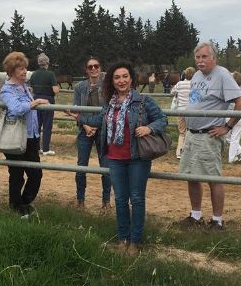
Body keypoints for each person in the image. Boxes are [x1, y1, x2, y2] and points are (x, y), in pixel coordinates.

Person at [85, 61, 167, 255]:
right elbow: (98, 121)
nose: (121, 81)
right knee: (121, 200)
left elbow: (162, 119)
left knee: (137, 199)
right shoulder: (109, 103)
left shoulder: (143, 101)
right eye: (117, 77)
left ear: (131, 79)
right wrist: (79, 118)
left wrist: (149, 128)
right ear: (112, 81)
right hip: (114, 158)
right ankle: (123, 239)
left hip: (137, 157)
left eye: (125, 77)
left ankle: (135, 242)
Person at [175, 43, 241, 230]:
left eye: (204, 57)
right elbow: (195, 101)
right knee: (192, 176)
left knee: (213, 178)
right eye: (198, 57)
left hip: (208, 136)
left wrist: (227, 127)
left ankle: (217, 220)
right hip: (191, 134)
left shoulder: (222, 74)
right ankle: (195, 215)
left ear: (214, 58)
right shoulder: (197, 76)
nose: (200, 61)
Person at [0, 52, 49, 217]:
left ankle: (23, 203)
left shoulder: (25, 87)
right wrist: (35, 102)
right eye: (20, 68)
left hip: (32, 136)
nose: (24, 71)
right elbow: (15, 108)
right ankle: (17, 207)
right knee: (16, 174)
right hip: (17, 137)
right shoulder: (7, 90)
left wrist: (37, 102)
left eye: (25, 68)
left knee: (36, 174)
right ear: (12, 70)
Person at [71, 56, 111, 210]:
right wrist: (86, 126)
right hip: (85, 129)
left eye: (96, 66)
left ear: (100, 68)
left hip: (103, 130)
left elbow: (109, 110)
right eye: (90, 67)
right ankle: (80, 200)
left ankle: (106, 202)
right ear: (86, 70)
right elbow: (75, 109)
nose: (93, 69)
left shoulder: (107, 86)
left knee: (105, 167)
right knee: (81, 165)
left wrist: (97, 125)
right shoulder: (79, 87)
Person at [28, 53, 59, 155]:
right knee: (47, 126)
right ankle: (45, 149)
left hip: (36, 101)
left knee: (36, 125)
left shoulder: (34, 74)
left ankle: (36, 148)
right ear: (47, 63)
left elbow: (31, 89)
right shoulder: (51, 74)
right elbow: (55, 90)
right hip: (48, 101)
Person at [170, 67, 194, 159]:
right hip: (192, 111)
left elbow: (172, 92)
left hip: (181, 110)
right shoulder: (195, 84)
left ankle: (179, 152)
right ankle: (188, 151)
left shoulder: (180, 84)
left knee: (182, 132)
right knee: (190, 130)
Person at [226, 71, 241, 162]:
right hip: (239, 115)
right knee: (234, 138)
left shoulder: (227, 89)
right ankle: (236, 155)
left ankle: (234, 156)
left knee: (227, 137)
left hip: (227, 115)